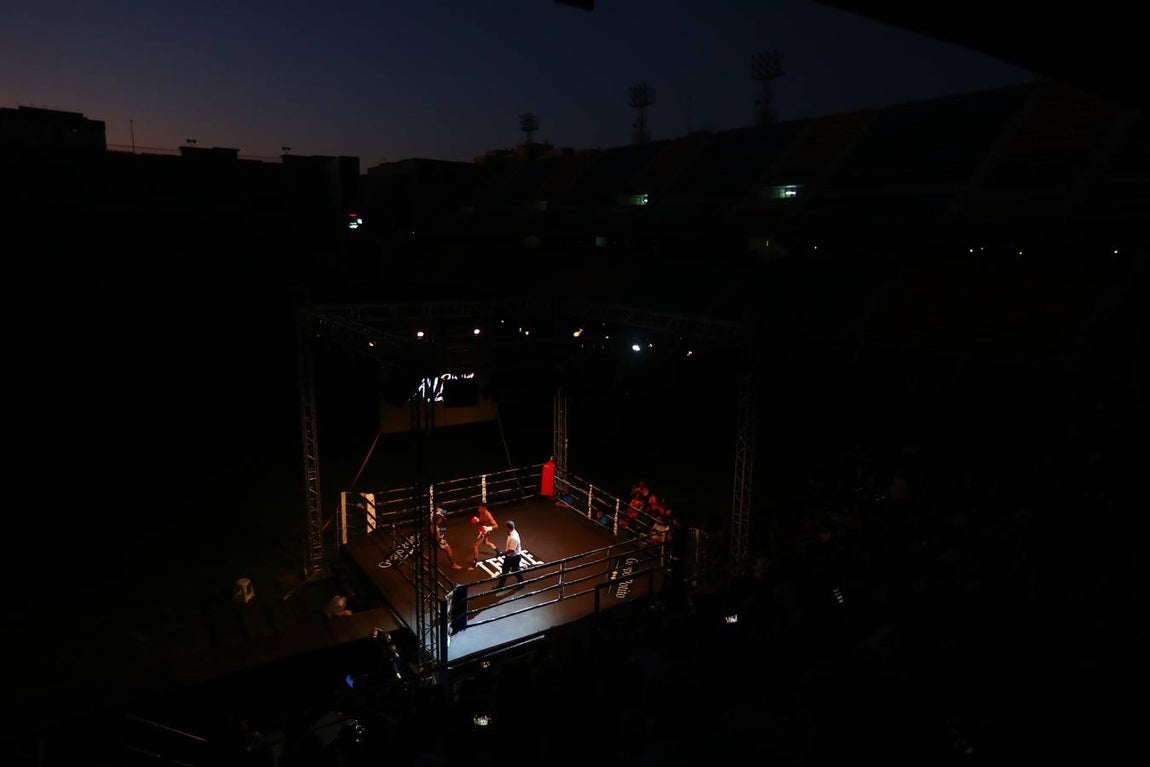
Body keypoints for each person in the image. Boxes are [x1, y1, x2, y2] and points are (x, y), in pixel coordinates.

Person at [493, 520, 525, 590]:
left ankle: (521, 583)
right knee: (506, 570)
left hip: (513, 557)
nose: (505, 529)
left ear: (508, 528)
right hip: (512, 556)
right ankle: (501, 585)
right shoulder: (511, 533)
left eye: (506, 528)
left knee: (514, 570)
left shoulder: (514, 538)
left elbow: (511, 550)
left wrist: (502, 554)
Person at [470, 503, 499, 568]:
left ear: (484, 508)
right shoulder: (482, 513)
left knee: (475, 545)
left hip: (484, 531)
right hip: (482, 530)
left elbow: (496, 525)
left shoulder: (488, 515)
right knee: (486, 542)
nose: (478, 509)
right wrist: (478, 520)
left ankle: (475, 562)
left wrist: (488, 528)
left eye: (480, 508)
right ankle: (498, 551)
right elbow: (483, 521)